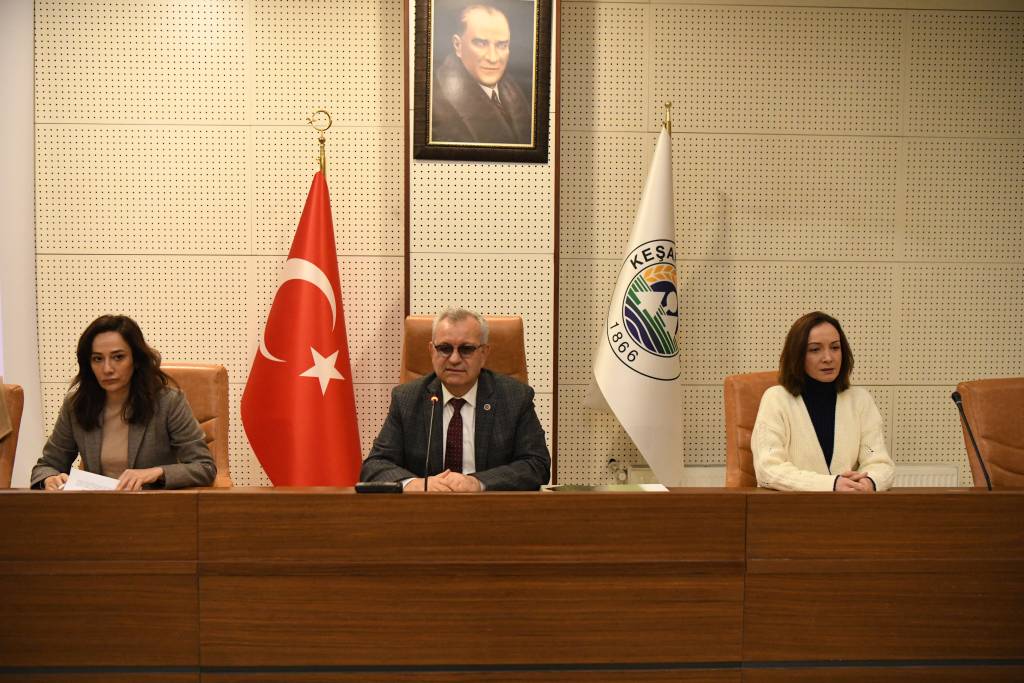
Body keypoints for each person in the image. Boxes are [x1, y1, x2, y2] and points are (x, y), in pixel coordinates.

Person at [361, 308, 550, 491]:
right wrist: (414, 484)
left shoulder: (514, 397)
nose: (454, 359)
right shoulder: (407, 399)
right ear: (431, 351)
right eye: (444, 348)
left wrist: (478, 483)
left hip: (490, 508)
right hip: (426, 508)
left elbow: (537, 464)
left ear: (484, 353)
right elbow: (375, 465)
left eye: (466, 349)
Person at [31, 315, 216, 491]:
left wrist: (156, 473)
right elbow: (46, 466)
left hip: (152, 506)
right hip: (97, 507)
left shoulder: (168, 403)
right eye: (97, 359)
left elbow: (204, 467)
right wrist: (50, 478)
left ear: (136, 360)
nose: (107, 369)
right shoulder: (76, 405)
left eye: (118, 357)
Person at [751, 311, 895, 492]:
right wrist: (832, 484)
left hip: (850, 505)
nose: (828, 358)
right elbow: (768, 469)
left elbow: (881, 464)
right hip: (791, 507)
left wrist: (868, 482)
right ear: (797, 355)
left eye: (835, 347)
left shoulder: (860, 400)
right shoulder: (776, 399)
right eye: (815, 349)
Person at [430, 4, 532, 145]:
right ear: (458, 45)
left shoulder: (516, 89)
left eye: (502, 45)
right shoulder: (434, 105)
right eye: (481, 44)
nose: (493, 58)